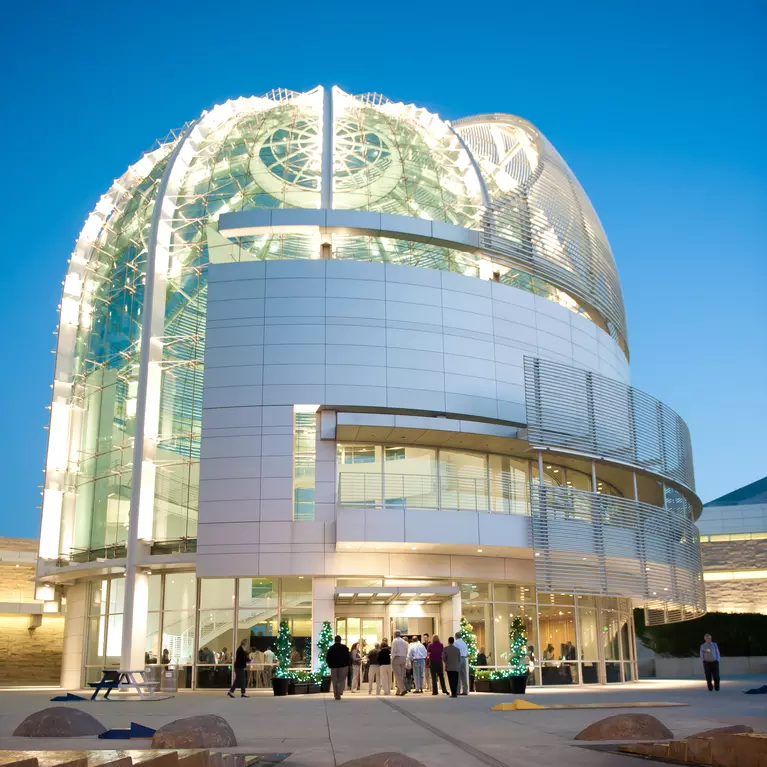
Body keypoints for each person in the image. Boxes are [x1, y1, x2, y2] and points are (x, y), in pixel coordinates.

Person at [326, 635, 351, 700]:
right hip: (343, 666)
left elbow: (328, 658)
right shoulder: (344, 648)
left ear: (335, 640)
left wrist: (330, 664)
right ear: (340, 640)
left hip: (333, 667)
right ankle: (340, 691)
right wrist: (348, 664)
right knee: (342, 679)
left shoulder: (331, 648)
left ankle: (336, 694)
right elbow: (348, 657)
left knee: (335, 681)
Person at [391, 630, 409, 696]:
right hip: (403, 658)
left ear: (395, 634)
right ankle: (398, 691)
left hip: (397, 658)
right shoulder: (404, 641)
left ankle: (403, 689)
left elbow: (393, 651)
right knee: (401, 675)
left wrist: (392, 660)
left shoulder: (395, 641)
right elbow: (407, 650)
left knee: (397, 675)